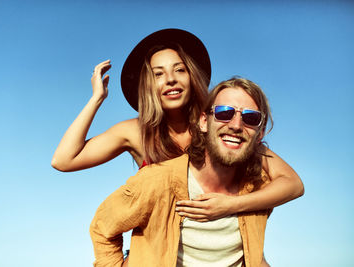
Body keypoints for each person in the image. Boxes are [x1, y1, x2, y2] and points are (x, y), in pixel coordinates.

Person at [51, 28, 303, 223]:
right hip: (158, 250)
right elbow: (63, 160)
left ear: (191, 76)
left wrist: (231, 205)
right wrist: (97, 99)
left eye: (179, 70)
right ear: (148, 85)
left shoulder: (220, 124)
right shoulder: (135, 132)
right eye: (158, 74)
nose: (170, 80)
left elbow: (292, 184)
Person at [90, 77, 286, 266]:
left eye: (250, 118)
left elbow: (253, 254)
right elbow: (102, 228)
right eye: (224, 113)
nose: (236, 125)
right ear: (203, 122)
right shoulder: (157, 181)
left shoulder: (260, 188)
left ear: (259, 134)